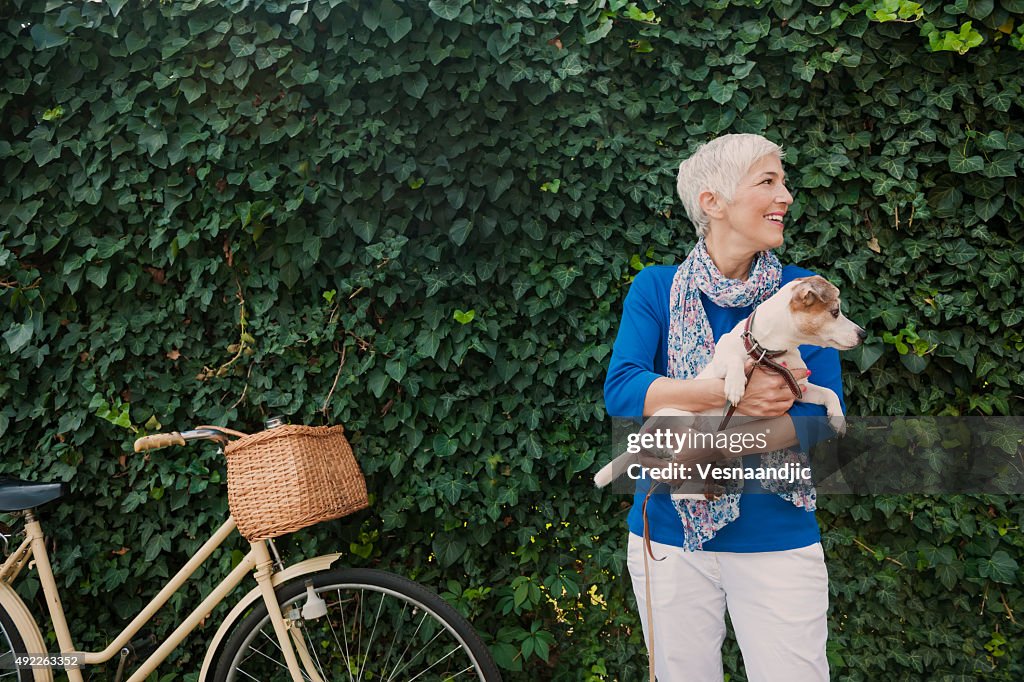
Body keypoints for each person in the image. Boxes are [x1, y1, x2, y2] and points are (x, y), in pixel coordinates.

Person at [603, 133, 845, 681]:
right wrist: (726, 395)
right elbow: (623, 389)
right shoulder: (656, 289)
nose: (786, 195)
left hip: (776, 536)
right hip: (667, 536)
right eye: (767, 181)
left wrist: (710, 444)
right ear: (712, 202)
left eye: (783, 181)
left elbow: (815, 422)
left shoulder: (799, 292)